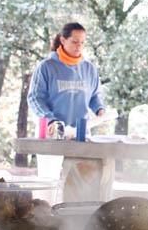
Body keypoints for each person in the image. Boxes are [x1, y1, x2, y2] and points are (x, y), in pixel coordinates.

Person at [28, 22, 108, 201]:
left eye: (82, 43)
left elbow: (95, 95)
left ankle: (73, 223)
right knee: (49, 185)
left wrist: (100, 109)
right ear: (63, 40)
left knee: (79, 185)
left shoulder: (89, 69)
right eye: (74, 42)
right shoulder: (46, 67)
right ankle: (46, 222)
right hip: (52, 133)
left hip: (80, 135)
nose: (79, 46)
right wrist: (50, 119)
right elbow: (35, 98)